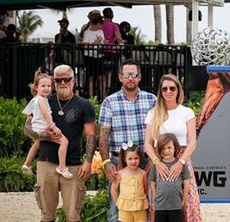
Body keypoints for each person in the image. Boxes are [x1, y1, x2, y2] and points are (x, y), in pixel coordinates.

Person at [25, 64, 96, 222]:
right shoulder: (42, 100)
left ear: (74, 80)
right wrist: (46, 136)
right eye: (58, 80)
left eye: (67, 79)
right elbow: (27, 128)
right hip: (46, 162)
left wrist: (88, 162)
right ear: (54, 82)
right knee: (47, 215)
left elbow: (91, 135)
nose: (63, 83)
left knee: (73, 216)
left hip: (72, 164)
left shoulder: (84, 105)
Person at [99, 59, 156, 222]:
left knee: (146, 204)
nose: (130, 78)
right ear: (120, 77)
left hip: (146, 160)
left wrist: (154, 157)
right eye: (126, 74)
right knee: (116, 207)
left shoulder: (152, 100)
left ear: (139, 77)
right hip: (119, 162)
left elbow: (160, 131)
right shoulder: (109, 102)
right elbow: (103, 134)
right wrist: (106, 162)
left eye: (133, 74)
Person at [144, 74, 201, 221]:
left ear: (178, 90)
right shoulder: (153, 113)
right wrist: (157, 162)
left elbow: (192, 141)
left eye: (172, 88)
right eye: (164, 89)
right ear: (160, 92)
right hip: (159, 161)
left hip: (182, 160)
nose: (168, 91)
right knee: (160, 202)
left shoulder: (186, 112)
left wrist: (180, 162)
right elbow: (147, 144)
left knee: (187, 201)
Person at [22, 72, 73, 179]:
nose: (46, 88)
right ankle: (62, 166)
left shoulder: (34, 99)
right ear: (36, 87)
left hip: (36, 127)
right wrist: (53, 127)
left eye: (49, 86)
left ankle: (27, 163)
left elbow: (28, 114)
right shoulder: (42, 100)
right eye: (43, 86)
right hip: (44, 127)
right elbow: (46, 114)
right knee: (64, 142)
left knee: (37, 144)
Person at [150, 133, 191, 222]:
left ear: (175, 148)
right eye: (163, 148)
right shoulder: (156, 165)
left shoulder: (181, 165)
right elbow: (152, 182)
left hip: (176, 206)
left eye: (169, 148)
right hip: (160, 207)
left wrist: (183, 201)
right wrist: (155, 196)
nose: (166, 151)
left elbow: (187, 184)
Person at [111, 142, 149, 222]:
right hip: (125, 209)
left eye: (136, 158)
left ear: (140, 158)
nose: (133, 161)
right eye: (130, 159)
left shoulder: (143, 173)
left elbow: (146, 189)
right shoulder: (120, 173)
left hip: (140, 208)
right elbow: (113, 190)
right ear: (125, 159)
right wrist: (118, 203)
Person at [82, 11, 105, 98]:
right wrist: (95, 42)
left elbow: (103, 41)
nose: (100, 26)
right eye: (99, 24)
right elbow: (85, 46)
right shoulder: (87, 32)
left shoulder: (101, 31)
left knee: (101, 77)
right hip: (90, 56)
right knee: (91, 77)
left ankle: (103, 97)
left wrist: (103, 42)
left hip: (99, 56)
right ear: (95, 24)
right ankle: (91, 97)